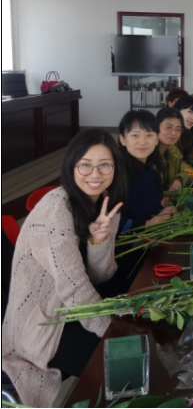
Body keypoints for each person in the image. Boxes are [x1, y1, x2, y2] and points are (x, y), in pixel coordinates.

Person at [2, 129, 127, 408]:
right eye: (85, 165)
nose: (95, 174)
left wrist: (99, 240)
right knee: (120, 364)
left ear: (115, 168)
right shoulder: (55, 209)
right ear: (71, 167)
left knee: (131, 347)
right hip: (43, 323)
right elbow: (75, 287)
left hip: (73, 309)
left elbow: (100, 275)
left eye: (104, 165)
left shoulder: (106, 203)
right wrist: (112, 330)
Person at [97, 111, 175, 299]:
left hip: (146, 244)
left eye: (149, 135)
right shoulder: (117, 173)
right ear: (123, 139)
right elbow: (107, 218)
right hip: (121, 255)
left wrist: (161, 208)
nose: (143, 141)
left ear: (156, 140)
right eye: (135, 135)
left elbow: (148, 203)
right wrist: (147, 224)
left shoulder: (150, 168)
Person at [156, 108, 193, 191]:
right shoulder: (146, 154)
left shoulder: (172, 151)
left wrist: (179, 180)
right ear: (156, 127)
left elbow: (192, 172)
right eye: (168, 127)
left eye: (178, 129)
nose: (174, 133)